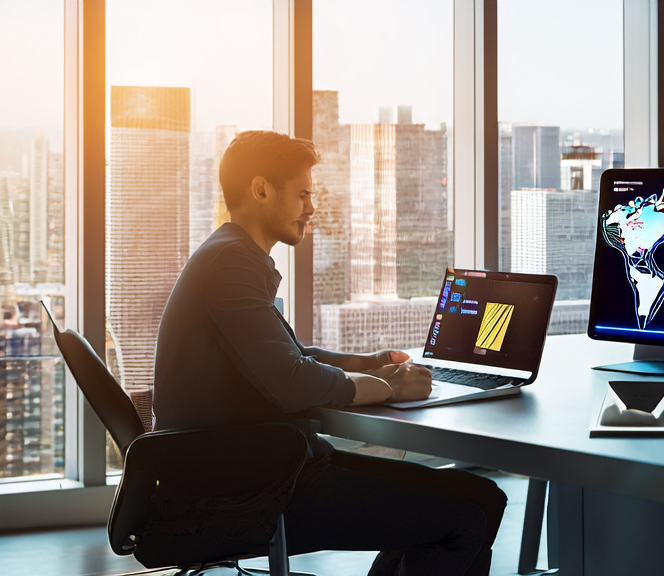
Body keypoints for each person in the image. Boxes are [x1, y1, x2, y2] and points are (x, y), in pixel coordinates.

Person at [153, 130, 506, 576]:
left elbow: (291, 355)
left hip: (248, 469)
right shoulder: (231, 264)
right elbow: (290, 380)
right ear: (261, 190)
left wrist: (365, 363)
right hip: (247, 487)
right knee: (473, 509)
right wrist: (384, 386)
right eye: (302, 194)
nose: (311, 208)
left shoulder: (228, 255)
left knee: (468, 499)